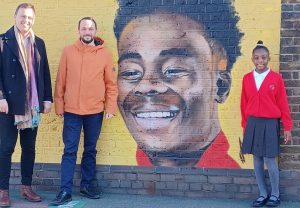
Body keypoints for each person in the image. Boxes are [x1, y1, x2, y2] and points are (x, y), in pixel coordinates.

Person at [114, 1, 243, 167]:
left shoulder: (230, 186)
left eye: (173, 70)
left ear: (220, 85)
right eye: (130, 72)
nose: (145, 86)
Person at [50, 17, 118, 206]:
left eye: (90, 29)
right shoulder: (68, 52)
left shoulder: (104, 54)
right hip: (71, 111)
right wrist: (59, 105)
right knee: (69, 150)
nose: (87, 32)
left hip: (95, 111)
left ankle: (86, 185)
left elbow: (111, 84)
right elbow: (60, 81)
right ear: (78, 31)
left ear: (95, 31)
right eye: (84, 29)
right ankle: (65, 190)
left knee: (90, 150)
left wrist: (110, 107)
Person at [0, 3, 53, 207]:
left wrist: (46, 98)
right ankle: (3, 191)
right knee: (5, 148)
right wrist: (1, 97)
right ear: (15, 17)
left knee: (29, 148)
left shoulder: (39, 43)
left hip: (32, 106)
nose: (26, 21)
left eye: (30, 17)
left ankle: (26, 187)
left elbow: (45, 73)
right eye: (23, 16)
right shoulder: (3, 40)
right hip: (9, 105)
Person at [240, 41, 292, 207]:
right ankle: (262, 194)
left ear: (268, 58)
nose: (260, 61)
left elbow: (283, 103)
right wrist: (245, 124)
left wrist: (287, 127)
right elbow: (243, 103)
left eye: (263, 57)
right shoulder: (247, 78)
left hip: (270, 123)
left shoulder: (276, 78)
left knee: (270, 160)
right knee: (257, 160)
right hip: (253, 123)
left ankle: (275, 194)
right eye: (256, 58)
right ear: (252, 59)